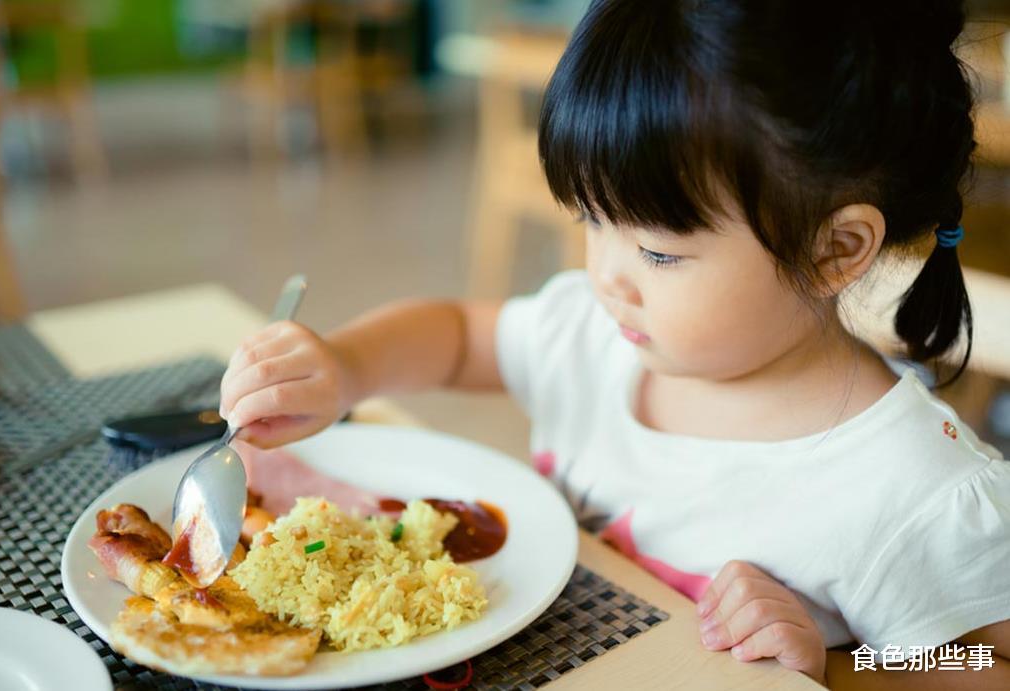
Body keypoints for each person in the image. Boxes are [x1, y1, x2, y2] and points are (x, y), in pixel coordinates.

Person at [217, 0, 1010, 686]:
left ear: (835, 249)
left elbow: (991, 665)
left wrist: (836, 664)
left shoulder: (916, 491)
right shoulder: (598, 335)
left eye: (658, 252)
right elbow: (460, 336)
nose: (606, 274)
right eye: (592, 219)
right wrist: (345, 367)